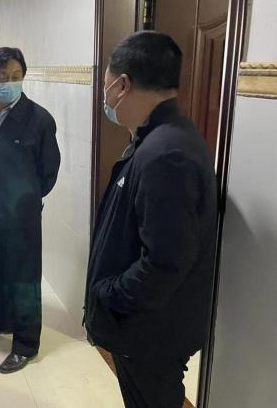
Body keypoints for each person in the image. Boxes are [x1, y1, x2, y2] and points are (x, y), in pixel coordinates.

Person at [84, 31, 217, 408]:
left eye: (106, 86)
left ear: (122, 86)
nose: (105, 97)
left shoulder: (165, 155)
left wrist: (108, 295)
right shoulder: (157, 139)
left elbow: (165, 262)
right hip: (148, 330)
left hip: (150, 334)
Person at [0, 47, 61, 374]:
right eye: (2, 76)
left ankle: (25, 344)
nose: (9, 82)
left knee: (24, 279)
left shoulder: (39, 120)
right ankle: (1, 321)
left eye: (16, 76)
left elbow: (48, 172)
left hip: (22, 217)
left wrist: (25, 198)